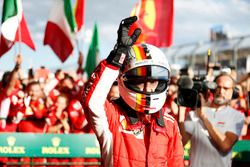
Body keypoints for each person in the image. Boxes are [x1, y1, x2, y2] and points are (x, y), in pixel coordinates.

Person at [81, 16, 184, 167]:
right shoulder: (113, 118)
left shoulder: (169, 124)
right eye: (140, 81)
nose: (147, 88)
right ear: (123, 80)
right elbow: (92, 101)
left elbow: (177, 164)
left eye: (153, 81)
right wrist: (116, 57)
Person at [178, 72, 244, 167]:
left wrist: (204, 118)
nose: (221, 91)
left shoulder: (237, 116)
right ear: (212, 88)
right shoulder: (194, 112)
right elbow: (181, 143)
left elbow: (225, 146)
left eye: (226, 88)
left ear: (233, 92)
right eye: (218, 87)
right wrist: (182, 110)